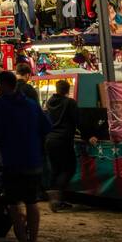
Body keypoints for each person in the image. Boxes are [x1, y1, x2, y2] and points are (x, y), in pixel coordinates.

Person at [0, 70, 52, 242]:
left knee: (13, 202)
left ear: (6, 85)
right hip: (33, 159)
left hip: (12, 161)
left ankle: (22, 241)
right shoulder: (32, 104)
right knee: (32, 202)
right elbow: (47, 126)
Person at [44, 79, 79, 212]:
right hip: (64, 140)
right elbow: (78, 120)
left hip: (50, 139)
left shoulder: (49, 103)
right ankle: (57, 198)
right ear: (68, 90)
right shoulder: (70, 103)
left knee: (55, 169)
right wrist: (88, 135)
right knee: (68, 168)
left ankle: (54, 199)